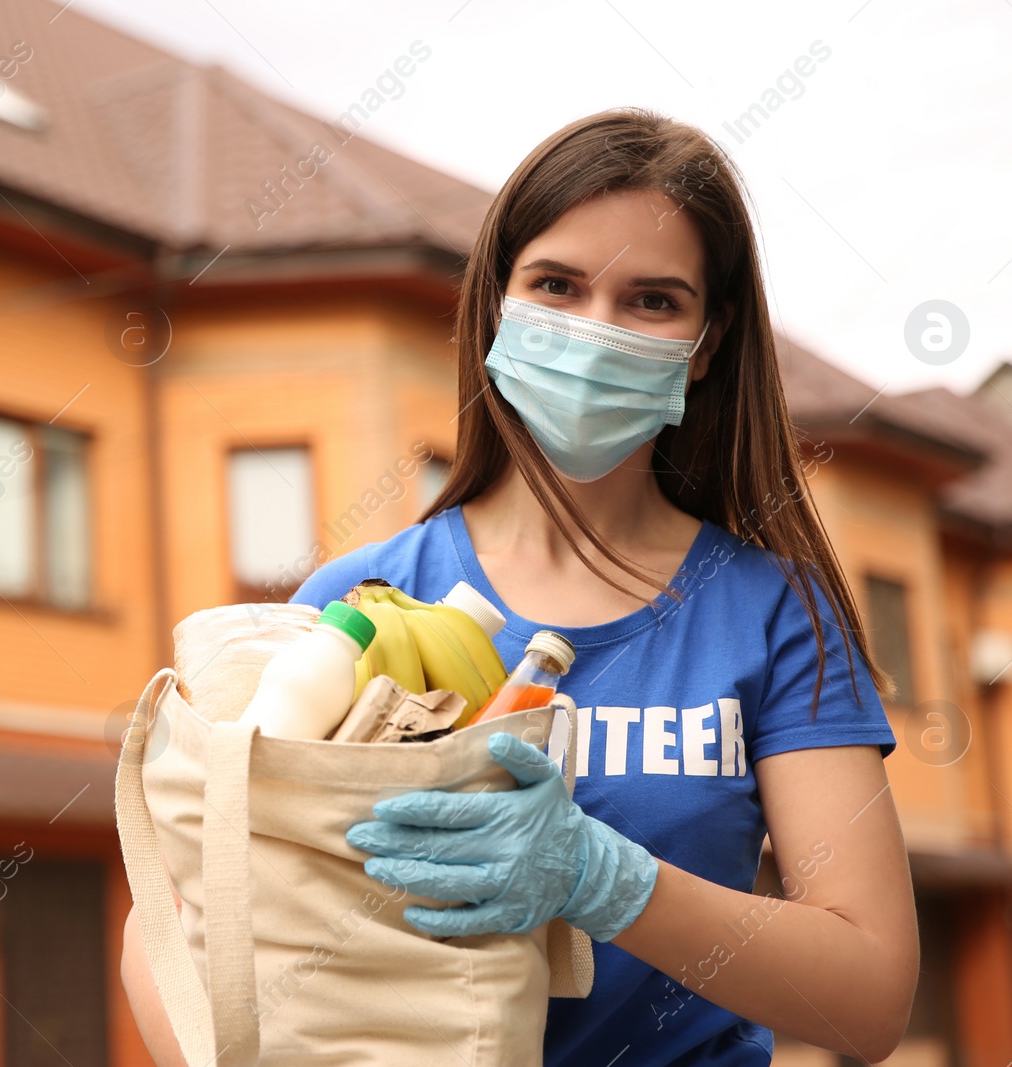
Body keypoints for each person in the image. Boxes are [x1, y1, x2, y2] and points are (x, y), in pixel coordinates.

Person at [122, 107, 919, 1066]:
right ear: (497, 307)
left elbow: (871, 999)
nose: (596, 329)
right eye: (557, 285)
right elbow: (173, 918)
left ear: (706, 345)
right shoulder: (363, 601)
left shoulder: (773, 614)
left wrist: (601, 879)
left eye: (653, 300)